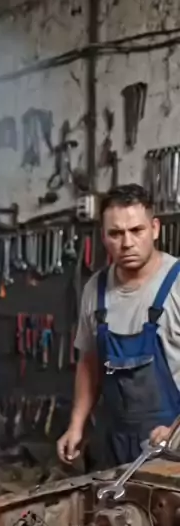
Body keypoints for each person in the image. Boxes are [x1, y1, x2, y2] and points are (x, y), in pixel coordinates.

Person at [57, 184, 180, 468]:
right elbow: (89, 364)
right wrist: (76, 425)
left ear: (155, 229)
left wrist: (177, 431)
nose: (127, 243)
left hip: (172, 444)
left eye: (137, 230)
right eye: (116, 233)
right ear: (103, 237)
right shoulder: (95, 289)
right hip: (114, 442)